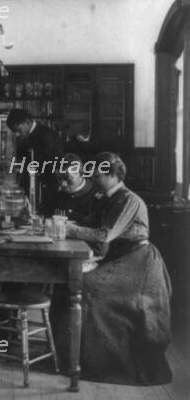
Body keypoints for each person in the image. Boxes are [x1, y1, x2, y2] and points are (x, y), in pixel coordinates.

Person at [50, 152, 173, 385]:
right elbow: (89, 223)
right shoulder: (107, 197)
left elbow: (104, 235)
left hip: (139, 263)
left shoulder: (129, 200)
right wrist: (63, 223)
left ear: (113, 175)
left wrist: (67, 229)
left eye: (98, 176)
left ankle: (93, 362)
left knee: (86, 288)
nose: (94, 180)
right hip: (118, 258)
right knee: (67, 281)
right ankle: (66, 354)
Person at [6, 109, 64, 216]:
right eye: (15, 132)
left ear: (27, 122)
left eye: (19, 130)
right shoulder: (26, 137)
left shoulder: (48, 135)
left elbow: (55, 165)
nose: (17, 135)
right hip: (31, 188)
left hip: (45, 190)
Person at [54, 153, 97, 223]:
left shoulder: (96, 196)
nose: (63, 184)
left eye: (67, 178)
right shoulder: (56, 194)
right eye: (59, 179)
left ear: (81, 174)